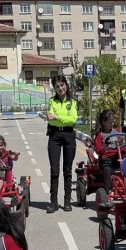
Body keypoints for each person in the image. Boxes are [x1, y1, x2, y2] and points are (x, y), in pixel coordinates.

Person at [46, 75, 78, 213]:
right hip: (54, 136)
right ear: (55, 88)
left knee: (67, 170)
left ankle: (67, 201)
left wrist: (58, 117)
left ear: (66, 85)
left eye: (62, 85)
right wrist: (59, 119)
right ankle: (53, 202)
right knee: (54, 170)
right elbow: (50, 120)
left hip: (69, 135)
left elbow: (72, 120)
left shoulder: (73, 102)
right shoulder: (51, 102)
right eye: (57, 86)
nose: (60, 88)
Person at [93, 109, 126, 206]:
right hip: (105, 158)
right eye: (109, 122)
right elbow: (97, 150)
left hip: (116, 156)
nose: (112, 124)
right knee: (107, 169)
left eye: (112, 122)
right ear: (103, 122)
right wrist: (104, 147)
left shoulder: (116, 132)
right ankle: (107, 191)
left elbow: (122, 144)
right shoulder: (100, 135)